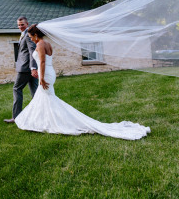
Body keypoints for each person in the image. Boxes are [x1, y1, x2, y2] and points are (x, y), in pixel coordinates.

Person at [14, 24, 151, 140]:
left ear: (35, 35)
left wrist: (42, 78)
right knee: (45, 99)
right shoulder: (48, 44)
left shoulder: (40, 45)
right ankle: (43, 121)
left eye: (30, 36)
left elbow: (42, 62)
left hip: (46, 75)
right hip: (51, 72)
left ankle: (55, 122)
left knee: (48, 99)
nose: (30, 38)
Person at [4, 16, 38, 123]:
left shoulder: (28, 35)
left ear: (27, 24)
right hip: (29, 68)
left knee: (16, 89)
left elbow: (32, 50)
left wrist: (33, 68)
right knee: (35, 92)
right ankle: (39, 114)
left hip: (25, 68)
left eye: (22, 24)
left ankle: (16, 117)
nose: (20, 27)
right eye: (18, 25)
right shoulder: (24, 34)